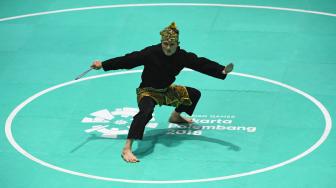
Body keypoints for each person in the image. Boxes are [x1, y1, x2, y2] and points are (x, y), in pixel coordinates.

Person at [91, 22, 234, 163]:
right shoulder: (151, 53)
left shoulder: (182, 56)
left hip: (166, 90)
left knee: (194, 94)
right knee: (145, 112)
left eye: (172, 45)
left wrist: (221, 70)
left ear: (178, 44)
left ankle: (175, 117)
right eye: (165, 44)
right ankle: (127, 148)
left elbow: (200, 63)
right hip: (147, 92)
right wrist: (103, 64)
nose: (168, 47)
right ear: (161, 42)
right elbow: (128, 60)